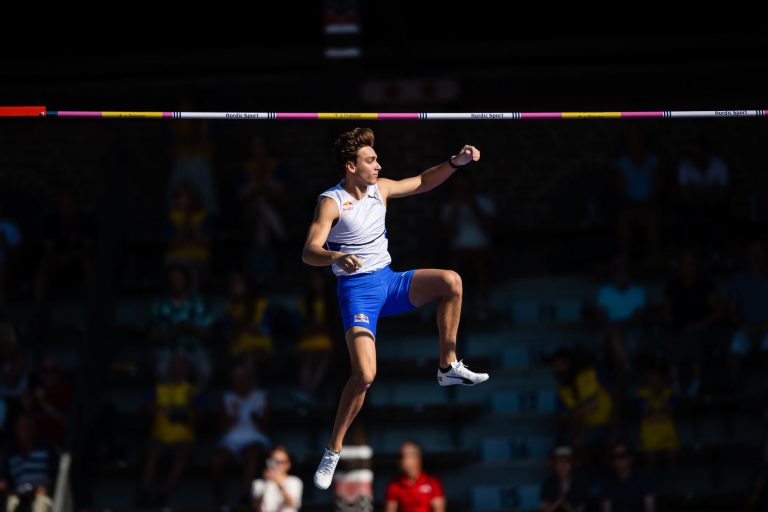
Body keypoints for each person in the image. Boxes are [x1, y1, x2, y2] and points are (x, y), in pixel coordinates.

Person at [301, 128, 489, 489]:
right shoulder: (332, 202)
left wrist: (455, 162)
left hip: (389, 282)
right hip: (357, 294)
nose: (378, 165)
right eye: (370, 160)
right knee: (364, 376)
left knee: (451, 282)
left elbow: (422, 181)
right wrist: (335, 256)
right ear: (351, 166)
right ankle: (333, 450)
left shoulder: (381, 188)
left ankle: (447, 366)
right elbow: (309, 251)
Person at [212, 366, 270, 507]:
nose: (241, 382)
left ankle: (246, 495)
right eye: (238, 379)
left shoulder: (261, 396)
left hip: (254, 437)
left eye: (244, 378)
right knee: (217, 463)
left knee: (252, 456)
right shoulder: (227, 398)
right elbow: (221, 429)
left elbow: (266, 426)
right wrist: (232, 416)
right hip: (231, 439)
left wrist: (256, 417)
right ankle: (220, 500)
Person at [385, 441, 445, 512]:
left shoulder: (433, 483)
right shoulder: (394, 485)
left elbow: (439, 509)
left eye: (405, 456)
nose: (401, 461)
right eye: (400, 457)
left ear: (417, 458)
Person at [600, 443, 655, 512]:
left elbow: (650, 508)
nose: (617, 460)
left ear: (630, 458)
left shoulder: (644, 478)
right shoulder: (608, 482)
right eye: (614, 456)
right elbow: (606, 508)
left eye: (622, 456)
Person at [252, 446, 302, 512]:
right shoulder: (259, 483)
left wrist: (277, 482)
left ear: (288, 464)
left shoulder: (295, 481)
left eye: (281, 462)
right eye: (274, 461)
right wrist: (265, 483)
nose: (277, 465)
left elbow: (293, 504)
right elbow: (257, 507)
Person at [538, 446, 589, 512]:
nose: (563, 466)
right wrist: (558, 502)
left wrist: (569, 508)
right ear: (555, 465)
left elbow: (582, 507)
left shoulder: (580, 483)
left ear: (572, 465)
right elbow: (543, 509)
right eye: (559, 462)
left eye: (566, 462)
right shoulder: (548, 483)